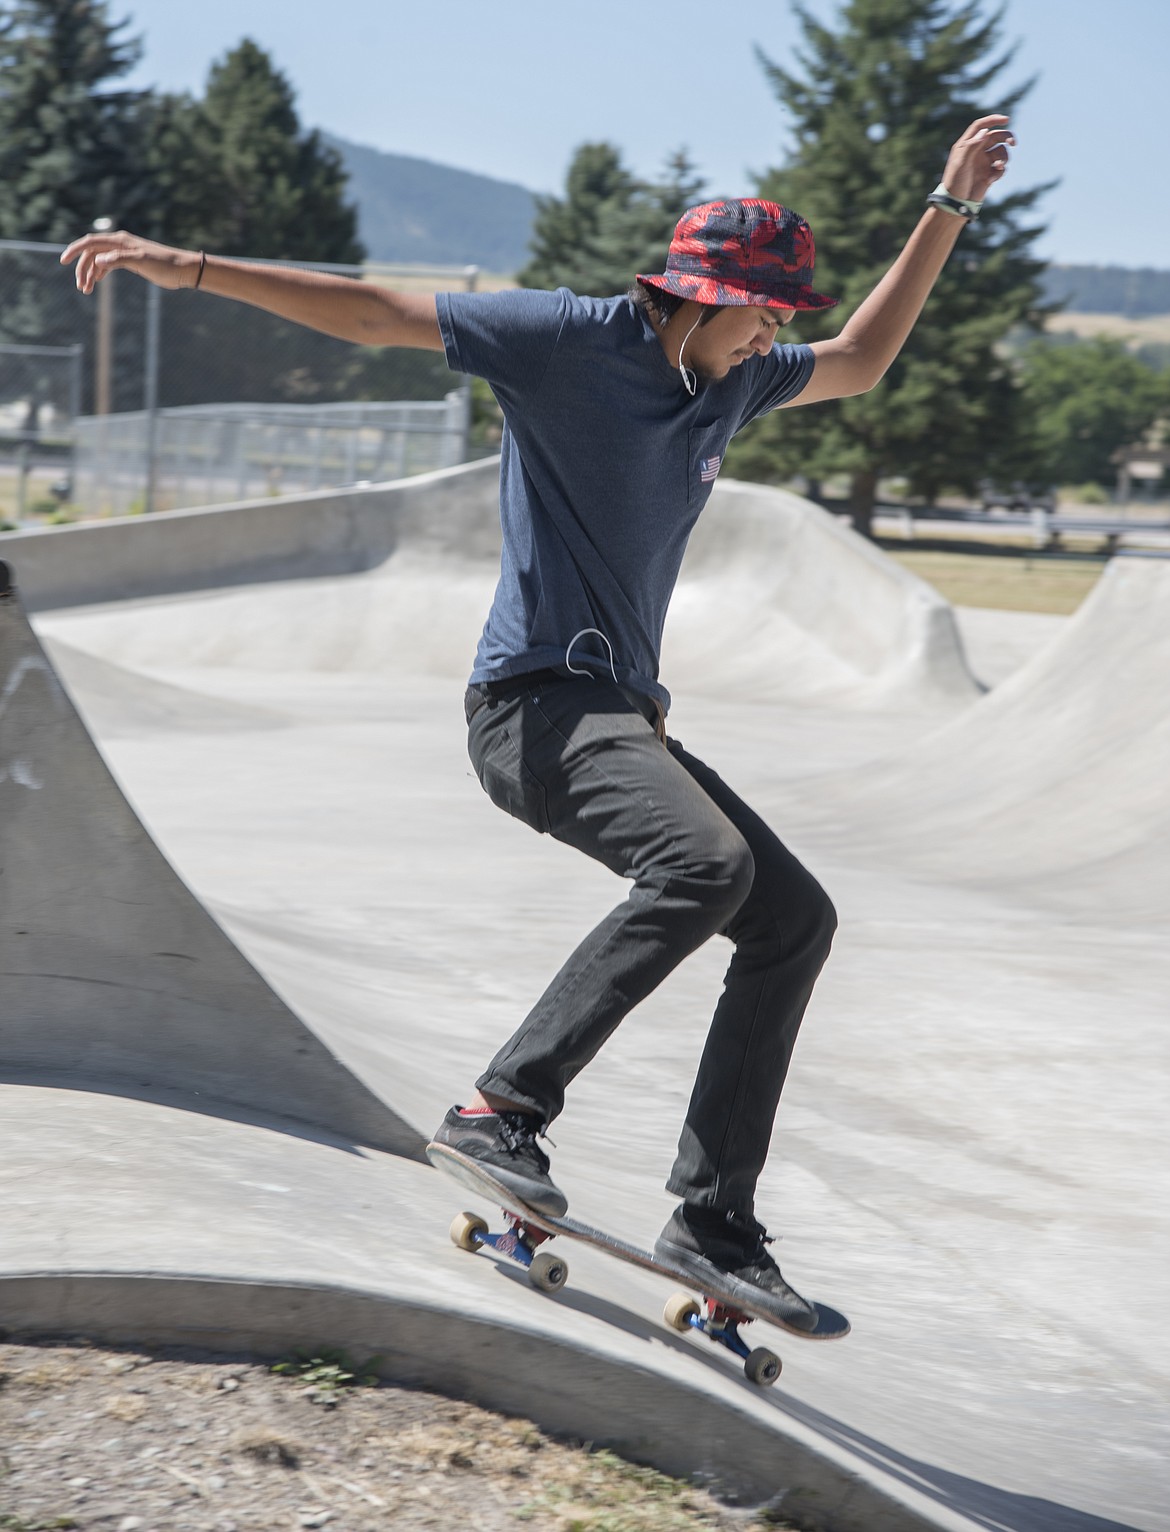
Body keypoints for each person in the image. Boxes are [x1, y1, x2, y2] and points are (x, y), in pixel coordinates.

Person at [63, 113, 1014, 1330]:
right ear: (699, 295)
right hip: (530, 706)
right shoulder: (568, 341)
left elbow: (864, 357)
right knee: (703, 862)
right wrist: (187, 267)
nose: (778, 334)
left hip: (621, 719)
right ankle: (500, 1110)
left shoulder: (735, 382)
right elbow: (378, 312)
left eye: (781, 318)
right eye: (763, 312)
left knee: (793, 920)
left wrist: (949, 204)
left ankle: (713, 1218)